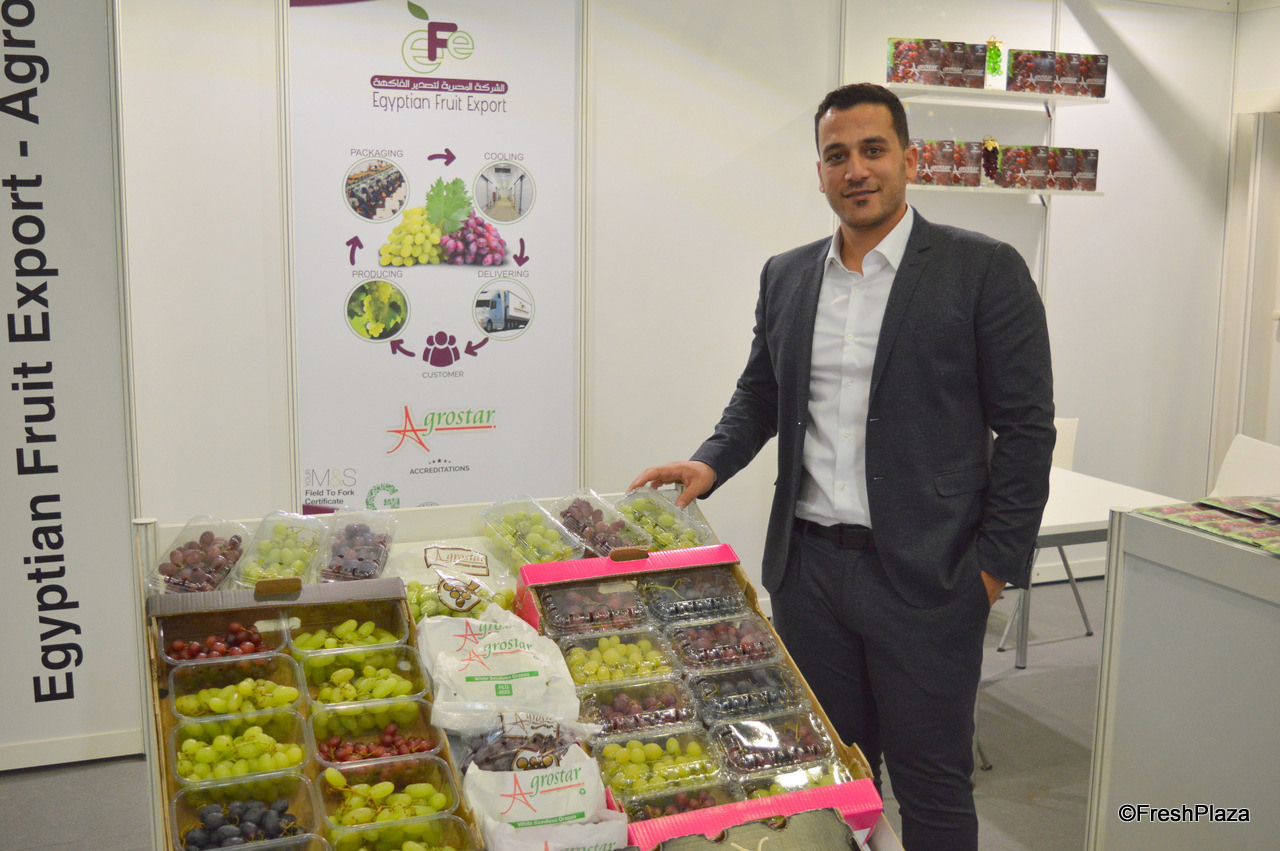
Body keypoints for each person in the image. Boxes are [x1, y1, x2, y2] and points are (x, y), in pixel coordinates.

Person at [629, 82, 1054, 850]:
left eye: (873, 150)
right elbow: (761, 393)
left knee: (931, 785)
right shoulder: (787, 275)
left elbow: (1026, 430)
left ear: (908, 159)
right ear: (819, 171)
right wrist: (709, 462)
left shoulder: (983, 269)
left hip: (928, 578)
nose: (856, 169)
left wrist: (992, 570)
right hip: (810, 576)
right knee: (830, 778)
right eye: (837, 155)